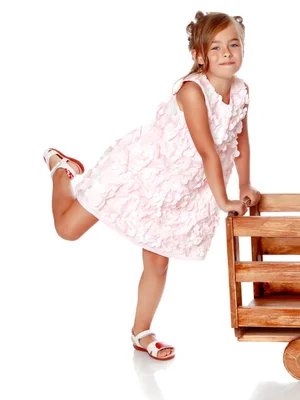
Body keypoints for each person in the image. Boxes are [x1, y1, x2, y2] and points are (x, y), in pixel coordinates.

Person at [41, 10, 261, 361]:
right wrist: (223, 200)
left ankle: (141, 332)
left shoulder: (241, 91)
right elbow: (206, 150)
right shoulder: (193, 91)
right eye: (216, 47)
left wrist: (246, 183)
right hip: (144, 170)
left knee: (158, 262)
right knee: (67, 230)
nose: (226, 53)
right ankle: (60, 168)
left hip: (180, 190)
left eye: (233, 44)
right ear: (199, 55)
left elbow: (240, 143)